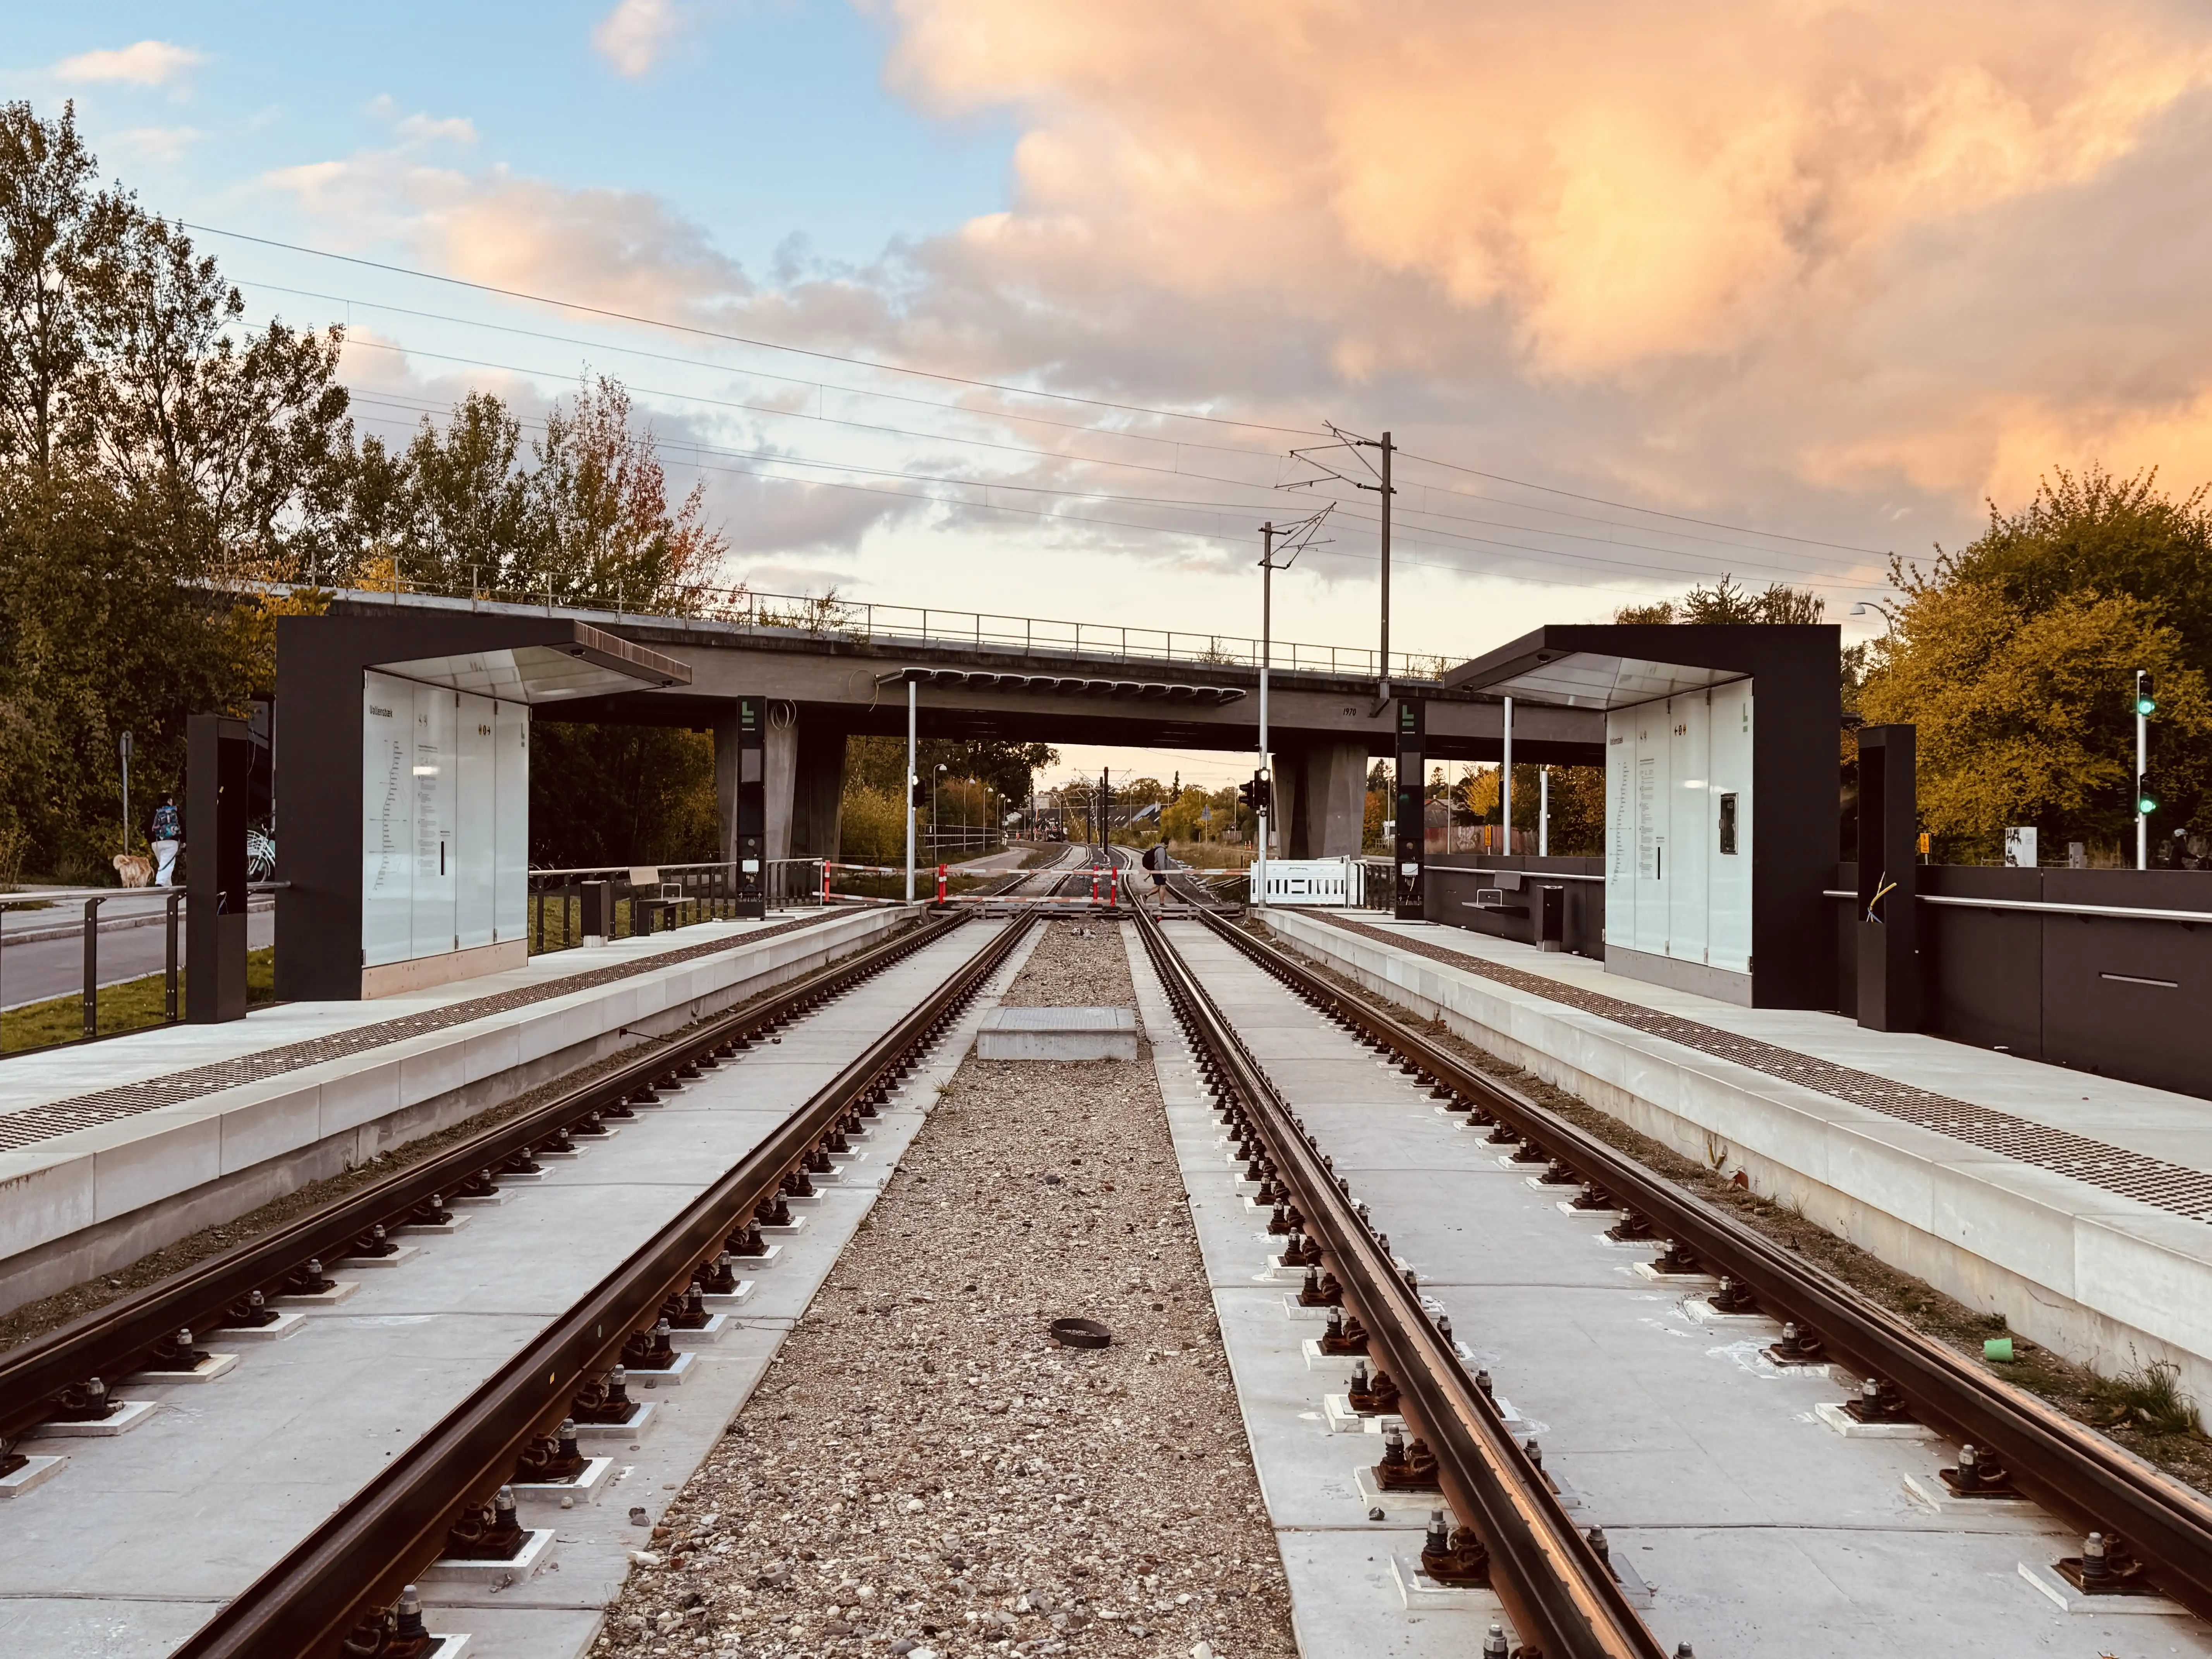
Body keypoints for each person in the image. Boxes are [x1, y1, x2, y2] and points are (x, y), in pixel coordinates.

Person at [149, 794, 182, 887]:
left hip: (156, 843)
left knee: (164, 862)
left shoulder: (155, 812)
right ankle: (161, 882)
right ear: (169, 800)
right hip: (171, 842)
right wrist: (183, 840)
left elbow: (148, 826)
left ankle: (168, 885)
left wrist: (151, 840)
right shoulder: (174, 811)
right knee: (167, 863)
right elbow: (182, 825)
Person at [1142, 839, 1170, 910]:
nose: (1168, 846)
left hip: (1156, 870)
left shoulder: (1156, 848)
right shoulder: (1161, 850)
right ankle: (1162, 904)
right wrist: (1164, 873)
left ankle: (1146, 896)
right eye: (1167, 844)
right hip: (1158, 871)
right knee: (1163, 886)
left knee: (1159, 887)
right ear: (1165, 844)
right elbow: (1162, 863)